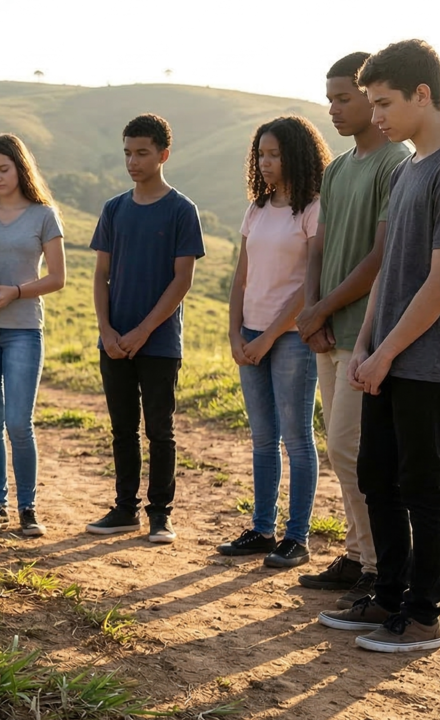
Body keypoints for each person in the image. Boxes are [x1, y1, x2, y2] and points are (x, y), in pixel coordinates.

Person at [317, 39, 440, 653]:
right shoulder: (410, 168)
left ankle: (424, 615)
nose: (378, 115)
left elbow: (438, 283)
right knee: (376, 475)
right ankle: (388, 594)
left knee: (423, 487)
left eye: (385, 103)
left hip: (426, 364)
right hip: (385, 354)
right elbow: (390, 270)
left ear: (423, 93)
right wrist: (366, 345)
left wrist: (388, 350)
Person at [295, 52, 411, 608]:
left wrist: (322, 309)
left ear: (371, 95)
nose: (334, 109)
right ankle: (357, 553)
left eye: (344, 98)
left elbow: (381, 257)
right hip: (328, 330)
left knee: (350, 450)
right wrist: (312, 309)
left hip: (367, 333)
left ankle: (380, 567)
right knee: (342, 450)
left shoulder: (396, 162)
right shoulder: (339, 167)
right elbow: (318, 246)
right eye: (330, 99)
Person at [86, 114, 205, 543]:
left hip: (160, 344)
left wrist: (143, 331)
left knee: (159, 430)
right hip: (114, 342)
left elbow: (182, 281)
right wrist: (106, 330)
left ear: (163, 154)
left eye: (141, 153)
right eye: (127, 153)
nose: (132, 162)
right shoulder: (114, 209)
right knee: (122, 430)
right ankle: (124, 509)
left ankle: (160, 514)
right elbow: (101, 275)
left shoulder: (182, 210)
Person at [218, 116, 331, 568]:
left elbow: (309, 286)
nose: (265, 162)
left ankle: (296, 538)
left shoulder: (313, 209)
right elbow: (241, 277)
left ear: (297, 156)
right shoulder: (257, 208)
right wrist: (234, 332)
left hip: (291, 339)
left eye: (275, 154)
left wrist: (268, 336)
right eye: (261, 154)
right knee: (262, 439)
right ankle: (262, 530)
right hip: (250, 335)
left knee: (297, 439)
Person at [0, 133, 66, 536]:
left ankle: (28, 508)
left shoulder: (43, 215)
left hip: (23, 330)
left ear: (21, 168)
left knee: (19, 423)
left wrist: (16, 292)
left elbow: (57, 278)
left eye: (4, 169)